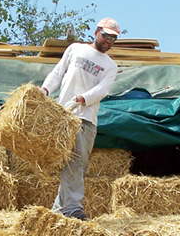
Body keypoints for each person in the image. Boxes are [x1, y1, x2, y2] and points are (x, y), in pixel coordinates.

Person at [40, 17, 120, 221]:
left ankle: (57, 213)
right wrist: (45, 90)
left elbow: (102, 91)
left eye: (113, 38)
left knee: (78, 164)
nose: (109, 41)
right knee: (74, 161)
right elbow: (57, 73)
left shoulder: (110, 66)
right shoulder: (75, 49)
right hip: (66, 116)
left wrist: (83, 98)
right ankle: (73, 208)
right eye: (106, 36)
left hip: (87, 119)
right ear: (96, 32)